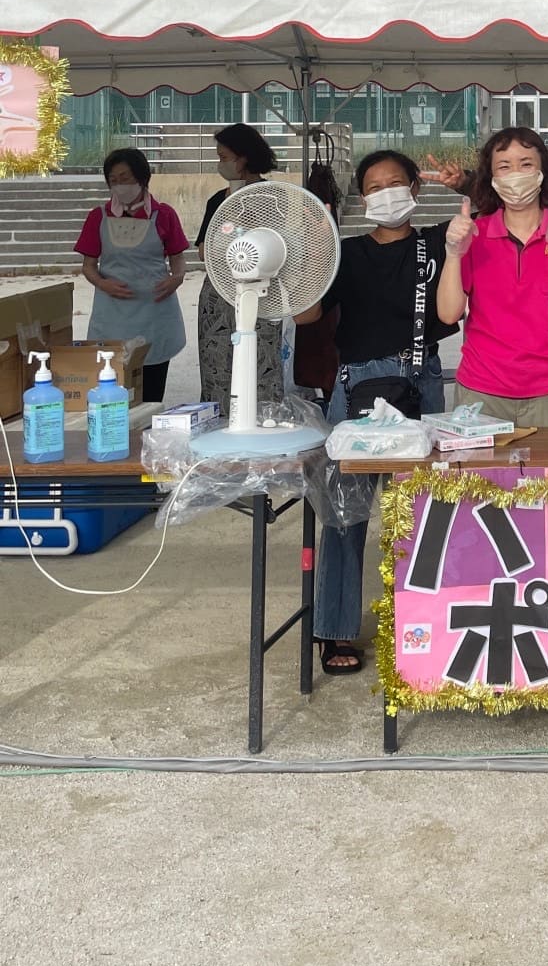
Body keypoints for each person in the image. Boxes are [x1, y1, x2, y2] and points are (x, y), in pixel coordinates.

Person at [297, 149, 459, 673]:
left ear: (415, 188)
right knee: (345, 513)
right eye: (373, 187)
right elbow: (307, 315)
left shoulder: (439, 242)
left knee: (421, 511)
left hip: (421, 381)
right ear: (362, 198)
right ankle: (336, 627)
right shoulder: (343, 251)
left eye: (395, 182)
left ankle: (421, 622)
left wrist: (465, 184)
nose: (385, 193)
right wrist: (305, 260)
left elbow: (492, 208)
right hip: (357, 386)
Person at [438, 126, 548, 424]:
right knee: (479, 474)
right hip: (480, 391)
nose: (516, 174)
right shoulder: (474, 233)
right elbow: (449, 314)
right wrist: (452, 253)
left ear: (543, 171)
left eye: (526, 164)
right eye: (504, 166)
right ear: (491, 177)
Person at [74, 147, 189, 404]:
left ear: (142, 177)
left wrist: (177, 277)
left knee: (151, 391)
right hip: (112, 314)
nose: (119, 185)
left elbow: (178, 257)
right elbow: (88, 266)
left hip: (155, 313)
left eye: (125, 178)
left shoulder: (165, 214)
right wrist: (104, 283)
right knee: (112, 387)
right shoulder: (98, 217)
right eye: (113, 181)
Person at [196, 123, 283, 415]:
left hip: (262, 292)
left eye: (224, 156)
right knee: (217, 363)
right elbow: (202, 249)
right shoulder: (216, 201)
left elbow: (285, 245)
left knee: (261, 361)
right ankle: (219, 419)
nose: (221, 164)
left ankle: (265, 419)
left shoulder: (272, 197)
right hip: (219, 294)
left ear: (243, 157)